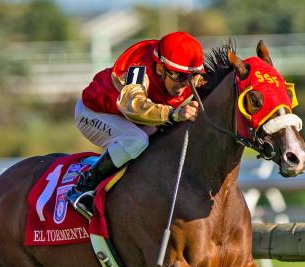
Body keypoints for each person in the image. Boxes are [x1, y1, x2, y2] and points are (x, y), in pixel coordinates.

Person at [68, 31, 206, 218]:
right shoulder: (138, 68)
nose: (185, 84)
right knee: (136, 140)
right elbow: (133, 107)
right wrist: (174, 114)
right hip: (95, 113)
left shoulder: (188, 75)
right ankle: (83, 187)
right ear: (160, 69)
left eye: (192, 76)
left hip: (133, 118)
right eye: (179, 76)